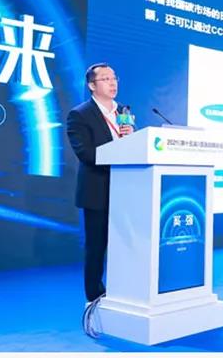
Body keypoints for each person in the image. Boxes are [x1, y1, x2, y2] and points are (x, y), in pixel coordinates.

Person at [66, 63, 134, 302]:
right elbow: (85, 153)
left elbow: (133, 147)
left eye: (114, 78)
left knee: (124, 243)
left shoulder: (123, 111)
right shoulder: (80, 114)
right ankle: (94, 295)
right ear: (92, 86)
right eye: (105, 79)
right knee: (97, 246)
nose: (112, 83)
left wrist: (131, 139)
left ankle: (123, 287)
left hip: (126, 189)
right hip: (98, 189)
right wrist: (116, 152)